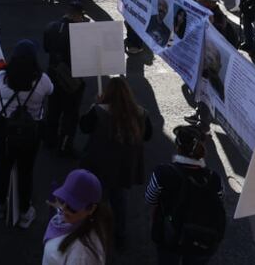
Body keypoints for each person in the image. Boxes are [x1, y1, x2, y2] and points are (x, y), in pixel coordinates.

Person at [79, 77, 153, 249]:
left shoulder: (98, 111)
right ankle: (120, 234)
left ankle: (96, 233)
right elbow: (148, 135)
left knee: (97, 200)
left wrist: (93, 106)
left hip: (99, 165)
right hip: (124, 167)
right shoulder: (140, 113)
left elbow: (84, 127)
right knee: (119, 200)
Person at [0, 39, 53, 228]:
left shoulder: (2, 77)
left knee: (4, 166)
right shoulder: (42, 80)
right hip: (31, 130)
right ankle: (25, 211)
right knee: (26, 170)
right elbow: (51, 91)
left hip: (5, 128)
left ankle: (0, 206)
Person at [146, 125, 226, 264]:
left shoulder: (162, 172)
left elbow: (150, 198)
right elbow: (219, 200)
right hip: (201, 237)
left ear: (178, 147)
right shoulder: (214, 178)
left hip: (169, 236)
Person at [44, 2, 89, 156]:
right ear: (77, 15)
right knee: (70, 114)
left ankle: (49, 141)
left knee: (53, 110)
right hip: (72, 79)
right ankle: (65, 146)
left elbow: (46, 48)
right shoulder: (79, 32)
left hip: (53, 75)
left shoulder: (51, 26)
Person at [43, 169, 112, 265]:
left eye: (72, 206)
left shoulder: (82, 255)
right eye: (63, 199)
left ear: (91, 209)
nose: (63, 208)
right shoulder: (75, 222)